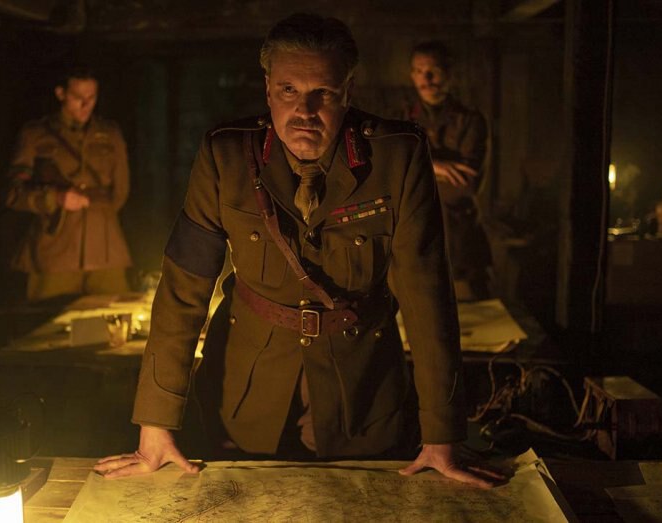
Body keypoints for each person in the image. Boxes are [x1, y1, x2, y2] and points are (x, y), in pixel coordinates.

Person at [95, 14, 500, 489]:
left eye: (322, 94)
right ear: (268, 88)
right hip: (248, 396)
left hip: (364, 396)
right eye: (288, 90)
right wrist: (156, 426)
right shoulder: (225, 157)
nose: (304, 110)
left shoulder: (397, 156)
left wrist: (442, 434)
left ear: (347, 92)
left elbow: (427, 297)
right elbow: (183, 289)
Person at [6, 66, 132, 302]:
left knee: (113, 322)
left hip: (104, 249)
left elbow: (120, 191)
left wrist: (97, 217)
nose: (85, 105)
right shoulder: (35, 135)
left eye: (91, 97)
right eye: (77, 98)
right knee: (49, 328)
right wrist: (56, 198)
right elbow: (14, 193)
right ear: (61, 93)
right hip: (55, 250)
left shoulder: (110, 134)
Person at [406, 41, 493, 301]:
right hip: (413, 240)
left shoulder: (470, 120)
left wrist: (414, 168)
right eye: (420, 71)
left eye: (433, 70)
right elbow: (390, 174)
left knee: (476, 323)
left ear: (449, 73)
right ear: (412, 75)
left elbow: (465, 183)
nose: (427, 78)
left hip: (460, 243)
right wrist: (436, 165)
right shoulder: (400, 118)